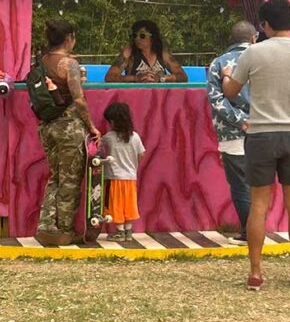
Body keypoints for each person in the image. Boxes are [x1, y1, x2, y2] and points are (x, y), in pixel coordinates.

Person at [222, 0, 290, 290]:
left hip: (260, 134)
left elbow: (231, 92)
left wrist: (226, 77)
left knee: (259, 203)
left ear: (265, 25)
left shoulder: (253, 54)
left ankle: (256, 273)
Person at [36, 20, 101, 246]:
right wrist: (91, 126)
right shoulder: (69, 64)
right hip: (68, 127)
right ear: (68, 38)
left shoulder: (42, 61)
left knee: (55, 177)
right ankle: (65, 230)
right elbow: (79, 99)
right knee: (70, 180)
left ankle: (46, 225)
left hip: (47, 127)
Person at [207, 21, 255, 245]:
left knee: (239, 184)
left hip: (231, 134)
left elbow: (217, 101)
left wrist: (241, 121)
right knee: (259, 184)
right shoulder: (263, 58)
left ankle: (248, 232)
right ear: (253, 37)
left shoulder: (218, 63)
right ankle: (260, 228)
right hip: (266, 129)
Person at [102, 102, 146, 241]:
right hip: (130, 177)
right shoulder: (136, 137)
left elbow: (99, 150)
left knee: (116, 204)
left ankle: (119, 231)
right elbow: (141, 154)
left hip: (114, 177)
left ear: (113, 121)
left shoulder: (108, 137)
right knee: (129, 204)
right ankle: (128, 231)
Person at [104, 20, 188, 83]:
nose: (137, 38)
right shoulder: (129, 52)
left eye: (142, 35)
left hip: (161, 100)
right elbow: (110, 77)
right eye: (134, 35)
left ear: (153, 37)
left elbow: (183, 77)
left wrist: (162, 78)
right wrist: (135, 78)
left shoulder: (162, 53)